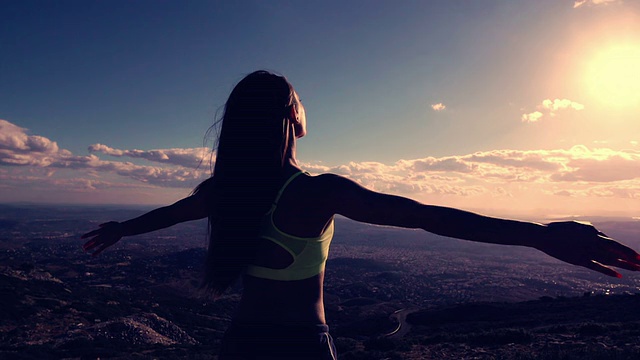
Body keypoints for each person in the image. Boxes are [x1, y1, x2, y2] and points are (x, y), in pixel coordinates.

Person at [82, 70, 640, 360]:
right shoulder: (316, 193)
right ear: (293, 120)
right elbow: (424, 215)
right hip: (300, 348)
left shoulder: (224, 190)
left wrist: (122, 228)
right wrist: (539, 234)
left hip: (241, 343)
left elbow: (173, 213)